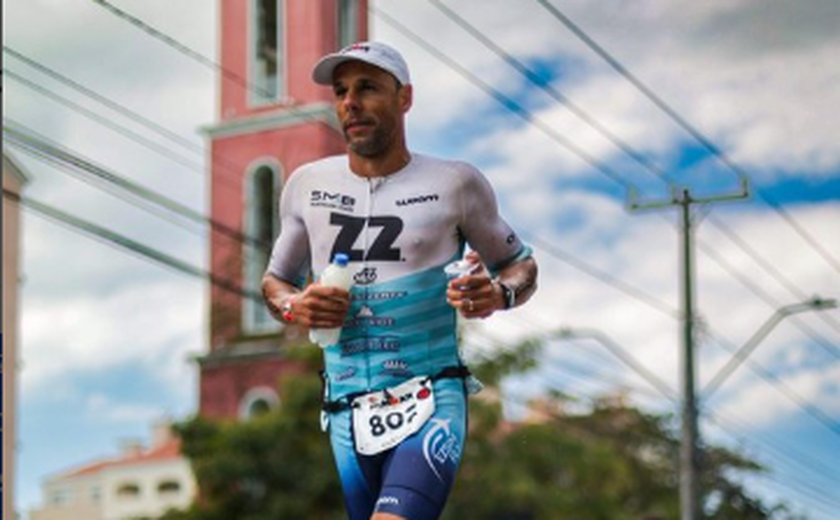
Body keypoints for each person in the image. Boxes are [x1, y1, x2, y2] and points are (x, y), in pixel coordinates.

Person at [262, 41, 538, 520]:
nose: (351, 102)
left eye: (368, 88)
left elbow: (521, 265)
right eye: (342, 90)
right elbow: (275, 282)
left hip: (430, 396)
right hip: (346, 409)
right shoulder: (306, 185)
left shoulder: (455, 183)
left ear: (404, 98)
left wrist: (497, 294)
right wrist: (295, 307)